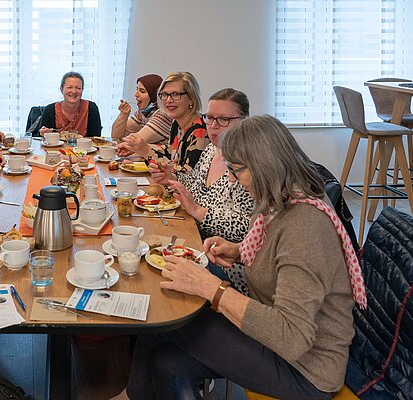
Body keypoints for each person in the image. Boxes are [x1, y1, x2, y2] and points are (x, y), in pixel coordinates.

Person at [123, 115, 366, 399]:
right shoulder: (282, 204)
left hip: (304, 369)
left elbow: (291, 338)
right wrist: (238, 251)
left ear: (264, 167)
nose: (230, 179)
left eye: (236, 171)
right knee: (165, 362)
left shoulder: (305, 227)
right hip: (276, 344)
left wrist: (211, 289)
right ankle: (133, 393)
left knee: (168, 316)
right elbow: (282, 260)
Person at [151, 88, 253, 294]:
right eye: (209, 118)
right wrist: (172, 177)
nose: (213, 126)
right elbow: (196, 187)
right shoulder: (211, 150)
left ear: (244, 121)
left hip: (228, 265)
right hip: (196, 241)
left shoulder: (249, 164)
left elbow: (248, 228)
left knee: (156, 277)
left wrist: (199, 212)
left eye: (223, 119)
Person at [117, 71, 208, 175]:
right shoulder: (176, 123)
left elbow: (185, 175)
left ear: (191, 98)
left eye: (175, 94)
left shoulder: (200, 131)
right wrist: (138, 149)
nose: (168, 100)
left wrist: (146, 151)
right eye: (164, 94)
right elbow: (170, 152)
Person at [111, 73, 173, 142]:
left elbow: (134, 142)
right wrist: (123, 114)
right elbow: (115, 137)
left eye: (142, 91)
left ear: (155, 95)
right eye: (137, 89)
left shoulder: (162, 116)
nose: (136, 94)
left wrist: (123, 139)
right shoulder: (144, 112)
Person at [38, 71, 103, 137]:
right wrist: (43, 133)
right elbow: (42, 140)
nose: (74, 91)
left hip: (83, 147)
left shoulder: (91, 108)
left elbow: (95, 138)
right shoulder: (50, 110)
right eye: (69, 87)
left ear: (82, 90)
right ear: (61, 89)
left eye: (78, 88)